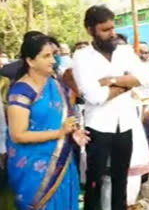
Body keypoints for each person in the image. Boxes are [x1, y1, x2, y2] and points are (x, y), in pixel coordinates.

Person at [73, 5, 149, 210]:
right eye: (105, 30)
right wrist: (127, 84)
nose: (112, 33)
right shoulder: (82, 57)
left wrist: (112, 80)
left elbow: (146, 78)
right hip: (98, 127)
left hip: (125, 125)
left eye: (112, 27)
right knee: (95, 180)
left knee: (121, 178)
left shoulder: (125, 51)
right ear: (90, 29)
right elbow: (94, 96)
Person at [6, 34, 90, 210]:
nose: (53, 60)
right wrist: (59, 133)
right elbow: (18, 134)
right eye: (46, 56)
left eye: (54, 54)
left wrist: (74, 132)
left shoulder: (56, 85)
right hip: (33, 166)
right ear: (30, 60)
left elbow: (64, 117)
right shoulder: (21, 91)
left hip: (61, 160)